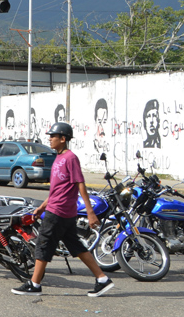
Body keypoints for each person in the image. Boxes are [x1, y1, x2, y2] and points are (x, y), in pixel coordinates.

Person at [12, 122, 114, 297]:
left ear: (63, 139)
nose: (50, 139)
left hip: (60, 211)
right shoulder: (59, 158)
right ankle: (102, 279)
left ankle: (34, 284)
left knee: (43, 244)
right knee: (77, 247)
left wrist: (90, 212)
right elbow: (57, 189)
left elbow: (80, 184)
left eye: (53, 136)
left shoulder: (70, 158)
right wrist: (42, 207)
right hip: (58, 209)